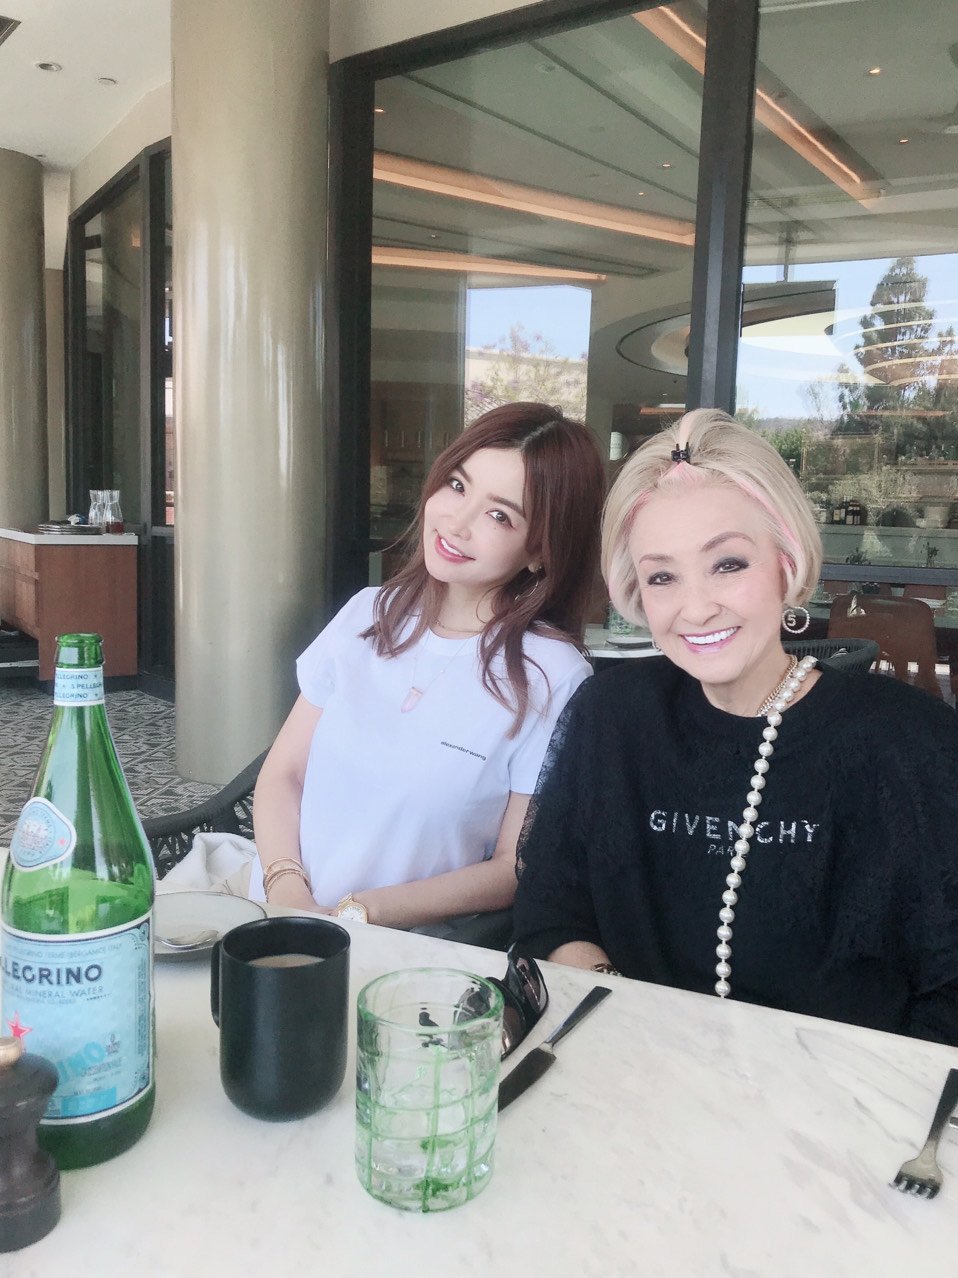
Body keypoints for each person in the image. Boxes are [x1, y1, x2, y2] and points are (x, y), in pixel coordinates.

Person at [512, 408, 958, 1045]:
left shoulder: (908, 743)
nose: (696, 608)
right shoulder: (611, 715)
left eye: (728, 564)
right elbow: (550, 910)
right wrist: (637, 1019)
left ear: (785, 561)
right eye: (662, 576)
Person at [249, 401, 606, 930]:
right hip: (272, 913)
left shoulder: (553, 675)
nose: (456, 523)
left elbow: (513, 866)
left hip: (407, 950)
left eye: (500, 515)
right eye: (458, 486)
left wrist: (355, 914)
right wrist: (286, 889)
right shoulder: (367, 614)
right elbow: (284, 773)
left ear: (541, 551)